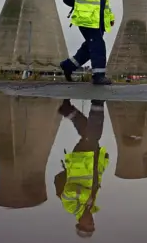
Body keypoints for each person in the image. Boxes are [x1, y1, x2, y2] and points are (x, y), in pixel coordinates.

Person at [60, 0, 115, 85]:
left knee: (88, 48)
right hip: (86, 18)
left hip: (98, 20)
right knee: (98, 45)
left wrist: (110, 17)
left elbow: (104, 0)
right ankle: (98, 76)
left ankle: (68, 66)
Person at [54, 99, 109, 238]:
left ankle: (97, 103)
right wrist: (103, 163)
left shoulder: (71, 207)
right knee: (88, 134)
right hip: (92, 161)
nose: (92, 221)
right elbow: (93, 182)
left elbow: (69, 191)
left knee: (93, 135)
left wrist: (86, 196)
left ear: (80, 223)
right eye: (93, 225)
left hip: (81, 161)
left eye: (89, 224)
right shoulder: (91, 206)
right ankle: (67, 110)